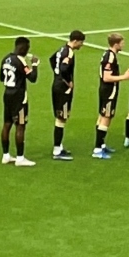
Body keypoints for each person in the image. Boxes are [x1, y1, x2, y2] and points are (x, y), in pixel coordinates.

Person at [93, 33, 129, 159]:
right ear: (116, 44)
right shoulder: (110, 57)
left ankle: (101, 145)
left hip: (107, 90)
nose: (123, 45)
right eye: (122, 42)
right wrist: (124, 77)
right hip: (108, 90)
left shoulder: (109, 55)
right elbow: (106, 77)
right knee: (106, 117)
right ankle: (97, 149)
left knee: (102, 116)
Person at [0, 37, 39, 167]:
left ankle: (5, 155)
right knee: (20, 125)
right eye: (27, 47)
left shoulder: (6, 58)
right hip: (19, 97)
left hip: (7, 94)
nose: (28, 49)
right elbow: (32, 78)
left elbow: (1, 77)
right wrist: (34, 65)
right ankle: (20, 158)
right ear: (22, 47)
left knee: (7, 123)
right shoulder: (21, 61)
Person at [48, 30, 85, 161]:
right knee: (61, 118)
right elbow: (64, 68)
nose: (81, 45)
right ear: (75, 41)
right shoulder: (69, 52)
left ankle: (59, 146)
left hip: (56, 85)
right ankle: (57, 150)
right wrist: (68, 81)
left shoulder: (61, 49)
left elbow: (52, 60)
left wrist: (56, 74)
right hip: (62, 89)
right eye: (81, 42)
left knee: (61, 117)